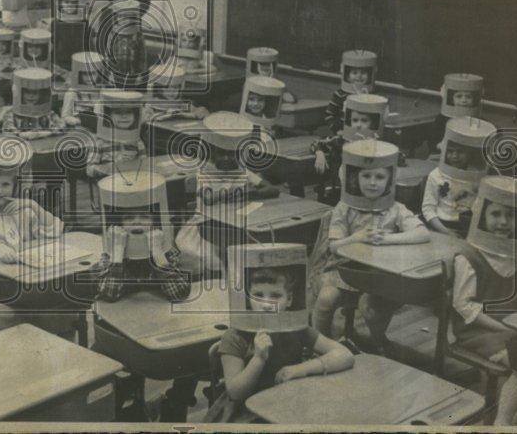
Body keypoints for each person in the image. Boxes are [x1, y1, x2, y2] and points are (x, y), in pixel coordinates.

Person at [448, 176, 517, 425]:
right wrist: (506, 328)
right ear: (482, 215)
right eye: (495, 214)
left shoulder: (515, 251)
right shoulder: (468, 256)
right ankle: (502, 421)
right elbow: (463, 306)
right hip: (478, 331)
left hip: (512, 326)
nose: (503, 222)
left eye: (511, 215)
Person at [310, 140, 429, 351]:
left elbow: (422, 233)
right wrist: (357, 237)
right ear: (356, 178)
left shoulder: (395, 208)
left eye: (380, 177)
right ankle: (319, 343)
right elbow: (335, 246)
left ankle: (378, 340)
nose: (372, 182)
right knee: (326, 299)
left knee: (371, 308)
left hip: (379, 274)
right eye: (366, 176)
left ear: (389, 180)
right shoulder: (344, 207)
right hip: (343, 270)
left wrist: (388, 238)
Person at [206, 258, 354, 423]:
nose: (267, 304)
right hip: (246, 414)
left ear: (289, 299)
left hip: (286, 402)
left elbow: (344, 355)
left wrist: (300, 369)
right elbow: (235, 393)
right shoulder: (235, 336)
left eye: (276, 295)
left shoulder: (296, 328)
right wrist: (258, 358)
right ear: (248, 298)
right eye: (258, 295)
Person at [0, 134, 64, 335]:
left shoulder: (21, 209)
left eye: (5, 184)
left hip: (26, 274)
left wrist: (33, 206)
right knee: (2, 318)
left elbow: (54, 229)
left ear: (15, 185)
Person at [175, 112, 280, 276]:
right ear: (212, 151)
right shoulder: (205, 172)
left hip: (235, 225)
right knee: (213, 258)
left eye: (230, 153)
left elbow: (273, 190)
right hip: (206, 228)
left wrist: (249, 193)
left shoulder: (242, 171)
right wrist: (238, 192)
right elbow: (208, 198)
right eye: (220, 152)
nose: (225, 157)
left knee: (257, 249)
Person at [91, 172, 190, 302]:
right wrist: (117, 256)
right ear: (120, 225)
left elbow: (179, 295)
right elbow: (109, 295)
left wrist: (158, 255)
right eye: (129, 217)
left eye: (144, 216)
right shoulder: (110, 254)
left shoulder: (167, 250)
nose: (136, 222)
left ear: (154, 223)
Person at [422, 118, 495, 237]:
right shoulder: (435, 175)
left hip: (469, 227)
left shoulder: (477, 176)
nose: (454, 156)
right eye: (450, 151)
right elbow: (428, 209)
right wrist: (446, 232)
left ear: (469, 153)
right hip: (441, 225)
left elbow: (481, 210)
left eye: (460, 152)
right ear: (444, 151)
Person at [310, 94, 388, 204]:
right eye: (355, 120)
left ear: (372, 123)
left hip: (367, 193)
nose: (358, 125)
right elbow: (317, 143)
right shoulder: (343, 140)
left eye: (364, 121)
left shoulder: (378, 145)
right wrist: (319, 153)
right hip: (338, 192)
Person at [2, 68, 66, 140]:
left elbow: (61, 125)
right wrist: (21, 134)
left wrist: (43, 133)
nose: (31, 96)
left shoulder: (48, 112)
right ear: (21, 94)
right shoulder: (11, 113)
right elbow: (8, 128)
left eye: (35, 93)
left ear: (40, 95)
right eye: (27, 92)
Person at [324, 50, 377, 134]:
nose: (359, 76)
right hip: (343, 133)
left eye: (363, 72)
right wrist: (338, 130)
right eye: (354, 72)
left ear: (370, 75)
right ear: (348, 76)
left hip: (366, 136)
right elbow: (329, 115)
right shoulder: (339, 94)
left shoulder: (374, 95)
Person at [431, 73, 483, 153]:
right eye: (459, 96)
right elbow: (434, 140)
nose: (464, 100)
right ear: (452, 99)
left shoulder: (476, 120)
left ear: (474, 99)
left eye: (468, 97)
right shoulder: (442, 119)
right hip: (443, 154)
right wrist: (440, 145)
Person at [61, 51, 109, 127]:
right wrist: (79, 121)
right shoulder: (72, 93)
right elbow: (65, 116)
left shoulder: (102, 91)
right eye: (85, 74)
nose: (89, 78)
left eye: (92, 73)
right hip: (79, 127)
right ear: (79, 75)